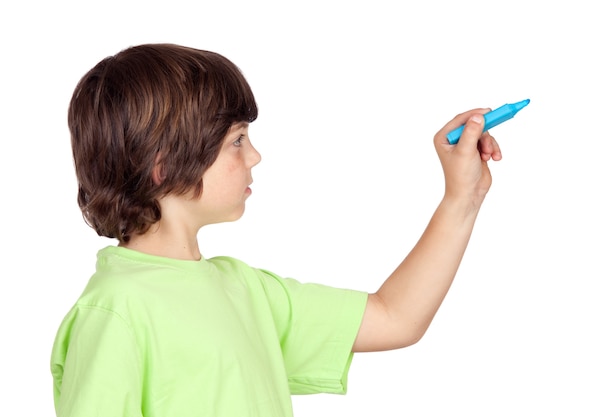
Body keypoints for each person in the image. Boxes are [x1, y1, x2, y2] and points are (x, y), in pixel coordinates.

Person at [50, 43, 502, 417]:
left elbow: (396, 317)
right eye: (237, 140)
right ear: (164, 165)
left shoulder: (244, 290)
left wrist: (463, 197)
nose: (254, 156)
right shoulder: (114, 312)